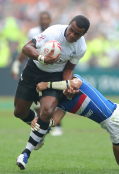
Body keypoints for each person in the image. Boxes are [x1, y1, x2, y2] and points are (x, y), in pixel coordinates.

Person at [15, 15, 90, 169]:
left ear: (83, 35)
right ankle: (41, 128)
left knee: (48, 110)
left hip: (54, 76)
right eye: (71, 30)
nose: (72, 35)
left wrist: (67, 84)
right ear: (68, 25)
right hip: (33, 70)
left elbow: (69, 68)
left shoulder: (81, 47)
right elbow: (26, 47)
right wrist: (42, 58)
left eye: (77, 34)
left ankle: (25, 153)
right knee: (19, 112)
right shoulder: (53, 32)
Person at [11, 11, 51, 117]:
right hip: (34, 68)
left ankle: (57, 126)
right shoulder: (33, 32)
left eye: (46, 18)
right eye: (42, 18)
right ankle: (40, 125)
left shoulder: (55, 33)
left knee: (48, 100)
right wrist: (16, 64)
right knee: (32, 103)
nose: (44, 21)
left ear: (50, 20)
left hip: (50, 70)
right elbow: (26, 48)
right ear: (39, 20)